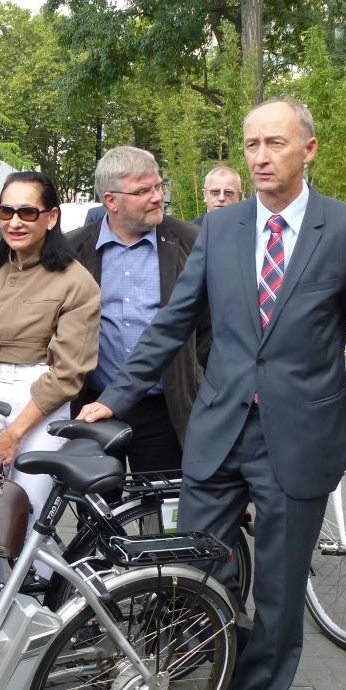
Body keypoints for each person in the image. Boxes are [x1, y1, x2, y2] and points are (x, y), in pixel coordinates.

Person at [79, 97, 346, 690]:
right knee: (201, 571)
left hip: (300, 440)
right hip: (217, 432)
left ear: (308, 149)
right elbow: (172, 323)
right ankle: (231, 667)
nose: (259, 156)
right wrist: (117, 394)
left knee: (278, 593)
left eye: (274, 143)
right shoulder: (221, 230)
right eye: (251, 144)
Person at [0, 171, 100, 597]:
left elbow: (69, 371)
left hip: (40, 403)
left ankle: (36, 624)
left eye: (27, 211)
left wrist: (16, 432)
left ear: (51, 217)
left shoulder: (75, 280)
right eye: (6, 210)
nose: (15, 221)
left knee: (29, 517)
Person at [66, 146, 209, 476]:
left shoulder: (193, 242)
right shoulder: (73, 250)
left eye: (159, 186)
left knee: (164, 518)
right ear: (111, 201)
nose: (158, 197)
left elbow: (211, 327)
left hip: (167, 409)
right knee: (98, 514)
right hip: (94, 404)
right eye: (143, 191)